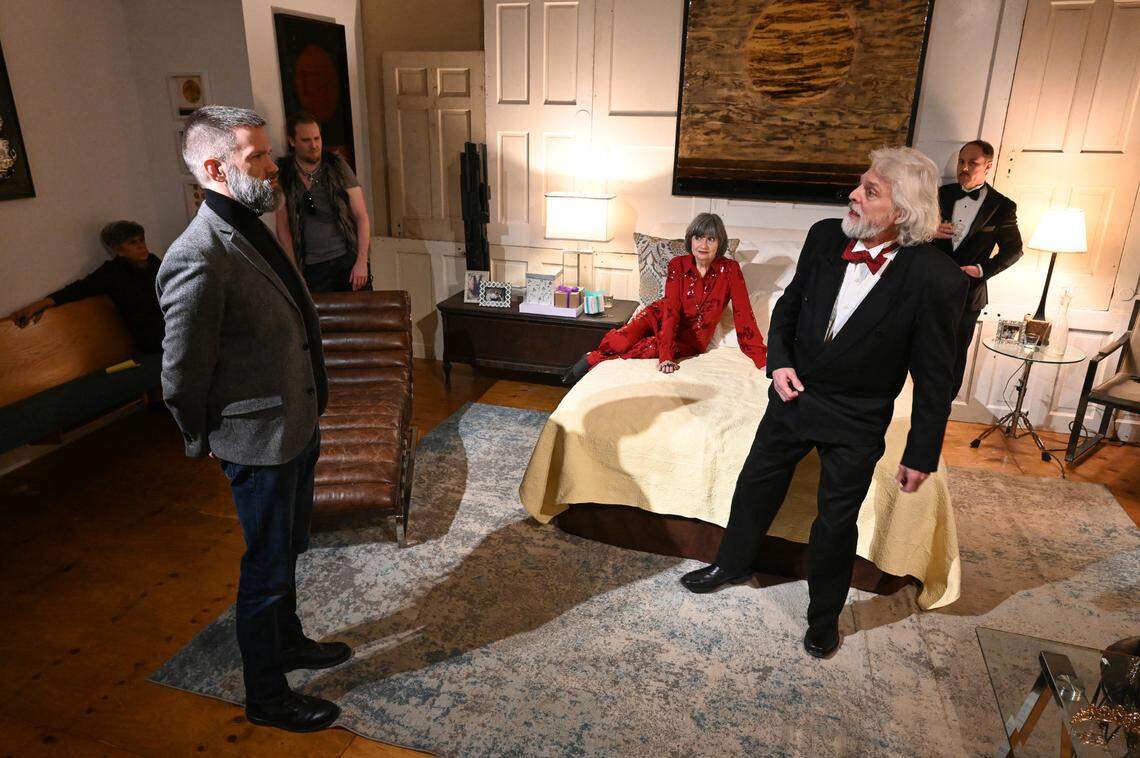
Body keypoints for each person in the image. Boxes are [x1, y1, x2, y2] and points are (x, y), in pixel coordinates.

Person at [680, 148, 968, 659]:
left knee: (837, 521)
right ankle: (733, 562)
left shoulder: (935, 279)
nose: (853, 195)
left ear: (900, 213)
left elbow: (935, 377)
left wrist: (922, 451)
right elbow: (790, 307)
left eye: (870, 192)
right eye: (860, 184)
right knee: (755, 482)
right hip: (794, 394)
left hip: (857, 417)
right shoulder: (823, 236)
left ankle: (824, 618)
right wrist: (779, 363)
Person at [157, 105, 348, 732]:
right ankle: (267, 696)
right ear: (215, 167)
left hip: (296, 420)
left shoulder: (252, 223)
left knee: (289, 549)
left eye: (270, 153)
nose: (273, 165)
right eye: (258, 157)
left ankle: (288, 643)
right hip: (256, 436)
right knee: (265, 568)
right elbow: (181, 374)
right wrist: (205, 438)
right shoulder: (198, 254)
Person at [561, 213, 767, 385]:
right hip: (660, 315)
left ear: (719, 243)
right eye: (698, 238)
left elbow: (744, 316)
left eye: (710, 239)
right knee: (620, 340)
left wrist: (761, 359)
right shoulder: (678, 265)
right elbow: (671, 309)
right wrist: (666, 355)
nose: (703, 245)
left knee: (649, 347)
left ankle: (593, 358)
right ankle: (595, 354)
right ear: (691, 240)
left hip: (691, 339)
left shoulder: (730, 270)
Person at [932, 140, 1023, 398]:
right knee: (918, 350)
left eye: (972, 163)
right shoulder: (939, 194)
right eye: (962, 162)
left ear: (988, 166)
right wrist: (928, 232)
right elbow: (910, 233)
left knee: (955, 357)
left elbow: (1014, 249)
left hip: (968, 295)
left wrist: (982, 270)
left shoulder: (1002, 206)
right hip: (929, 289)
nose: (964, 168)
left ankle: (942, 414)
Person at [5, 221, 164, 354]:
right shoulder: (111, 272)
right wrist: (40, 304)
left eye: (141, 240)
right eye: (132, 243)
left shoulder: (153, 261)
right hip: (152, 339)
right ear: (118, 250)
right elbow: (79, 289)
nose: (141, 246)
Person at [275, 111, 371, 293]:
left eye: (317, 138)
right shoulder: (285, 173)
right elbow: (283, 225)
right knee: (319, 319)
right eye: (306, 140)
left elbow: (362, 216)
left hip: (346, 259)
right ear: (292, 141)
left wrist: (361, 262)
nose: (314, 145)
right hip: (312, 266)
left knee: (362, 316)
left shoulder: (336, 165)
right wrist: (294, 271)